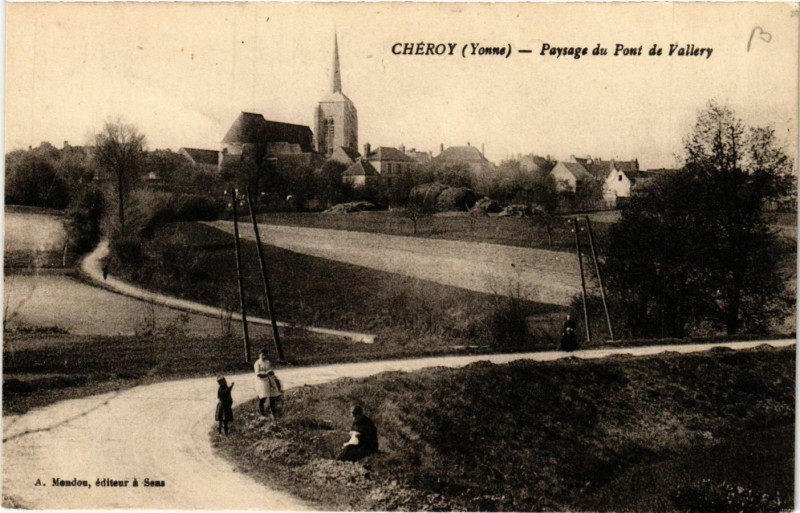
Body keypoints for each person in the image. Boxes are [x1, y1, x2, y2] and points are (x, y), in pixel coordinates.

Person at [254, 350, 282, 419]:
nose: (264, 356)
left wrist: (271, 372)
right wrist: (266, 373)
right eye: (262, 355)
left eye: (265, 355)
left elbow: (270, 370)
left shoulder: (267, 362)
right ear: (259, 355)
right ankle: (262, 413)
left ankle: (273, 412)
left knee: (272, 396)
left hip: (270, 380)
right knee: (263, 397)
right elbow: (258, 374)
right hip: (262, 381)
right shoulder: (257, 363)